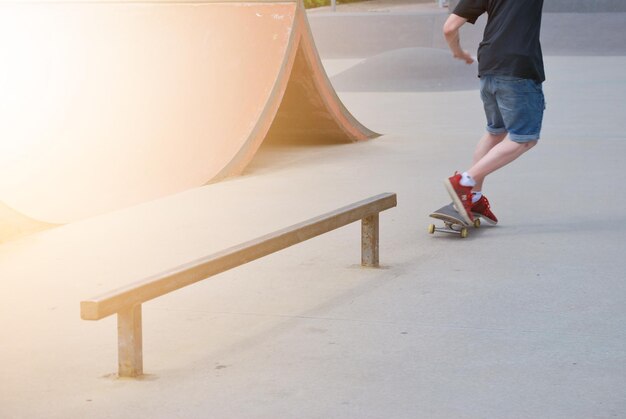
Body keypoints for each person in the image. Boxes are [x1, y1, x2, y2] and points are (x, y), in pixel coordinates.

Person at [442, 0, 546, 225]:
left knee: (495, 132)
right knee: (524, 138)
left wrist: (458, 52)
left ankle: (473, 197)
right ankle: (464, 182)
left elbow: (449, 27)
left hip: (489, 67)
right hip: (518, 70)